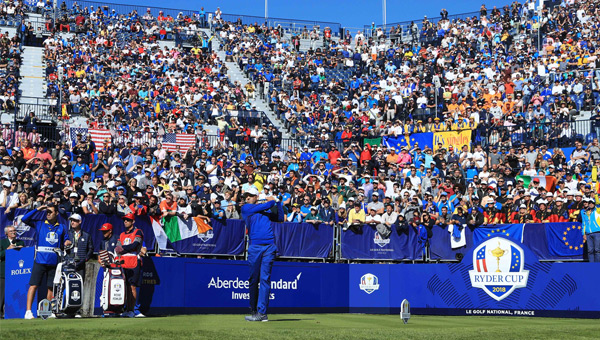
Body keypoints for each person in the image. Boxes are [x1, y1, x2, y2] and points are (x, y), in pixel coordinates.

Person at [22, 204, 71, 319]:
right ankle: (28, 311)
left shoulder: (62, 227)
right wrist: (38, 209)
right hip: (40, 260)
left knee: (51, 287)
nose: (48, 214)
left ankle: (48, 311)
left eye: (50, 212)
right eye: (47, 212)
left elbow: (66, 238)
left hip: (54, 262)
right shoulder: (39, 224)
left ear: (56, 213)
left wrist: (67, 242)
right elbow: (24, 219)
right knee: (33, 285)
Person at [241, 187, 278, 322]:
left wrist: (278, 203)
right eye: (246, 196)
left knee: (265, 279)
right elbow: (269, 204)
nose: (247, 198)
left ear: (256, 197)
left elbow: (279, 217)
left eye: (250, 196)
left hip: (269, 246)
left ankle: (262, 313)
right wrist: (272, 201)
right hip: (255, 247)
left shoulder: (264, 210)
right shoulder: (246, 208)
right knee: (253, 279)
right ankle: (253, 310)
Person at [115, 213, 144, 317]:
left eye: (128, 220)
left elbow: (135, 245)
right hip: (123, 261)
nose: (125, 221)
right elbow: (117, 247)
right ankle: (127, 309)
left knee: (132, 286)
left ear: (133, 221)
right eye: (124, 220)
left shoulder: (138, 232)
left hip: (133, 261)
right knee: (125, 287)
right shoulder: (122, 234)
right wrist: (120, 251)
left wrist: (123, 248)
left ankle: (132, 310)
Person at [1, 226, 25, 318]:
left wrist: (22, 250)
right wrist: (7, 250)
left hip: (17, 272)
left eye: (15, 231)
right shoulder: (2, 242)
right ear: (6, 233)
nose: (14, 232)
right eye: (11, 231)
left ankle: (15, 312)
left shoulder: (21, 242)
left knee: (16, 293)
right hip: (4, 272)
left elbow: (24, 256)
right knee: (2, 294)